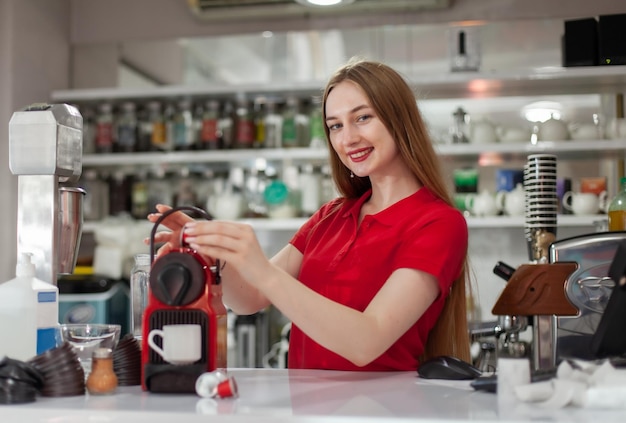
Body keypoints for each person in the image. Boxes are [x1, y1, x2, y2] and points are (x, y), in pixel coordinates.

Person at [147, 58, 471, 371]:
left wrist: (261, 268)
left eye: (362, 118)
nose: (347, 139)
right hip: (308, 407)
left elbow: (367, 341)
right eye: (335, 126)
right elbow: (249, 299)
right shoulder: (332, 215)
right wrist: (217, 254)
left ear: (399, 119)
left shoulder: (439, 223)